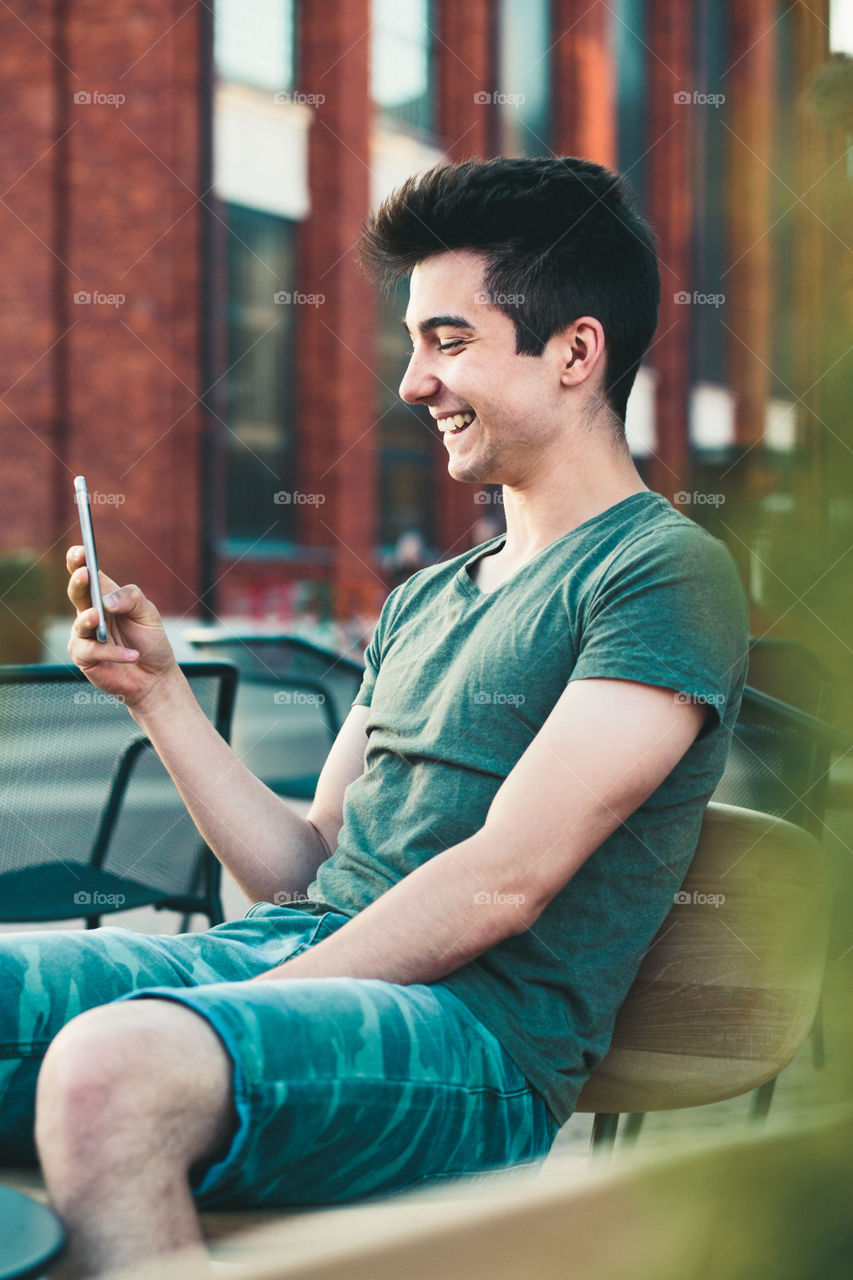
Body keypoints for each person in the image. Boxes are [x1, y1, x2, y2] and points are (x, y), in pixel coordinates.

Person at [0, 156, 748, 1278]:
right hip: (303, 958)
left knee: (115, 1068)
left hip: (475, 1045)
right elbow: (304, 866)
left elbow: (504, 880)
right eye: (413, 343)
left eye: (448, 341)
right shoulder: (425, 597)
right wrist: (159, 693)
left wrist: (230, 1008)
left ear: (574, 351)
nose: (410, 382)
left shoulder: (659, 574)